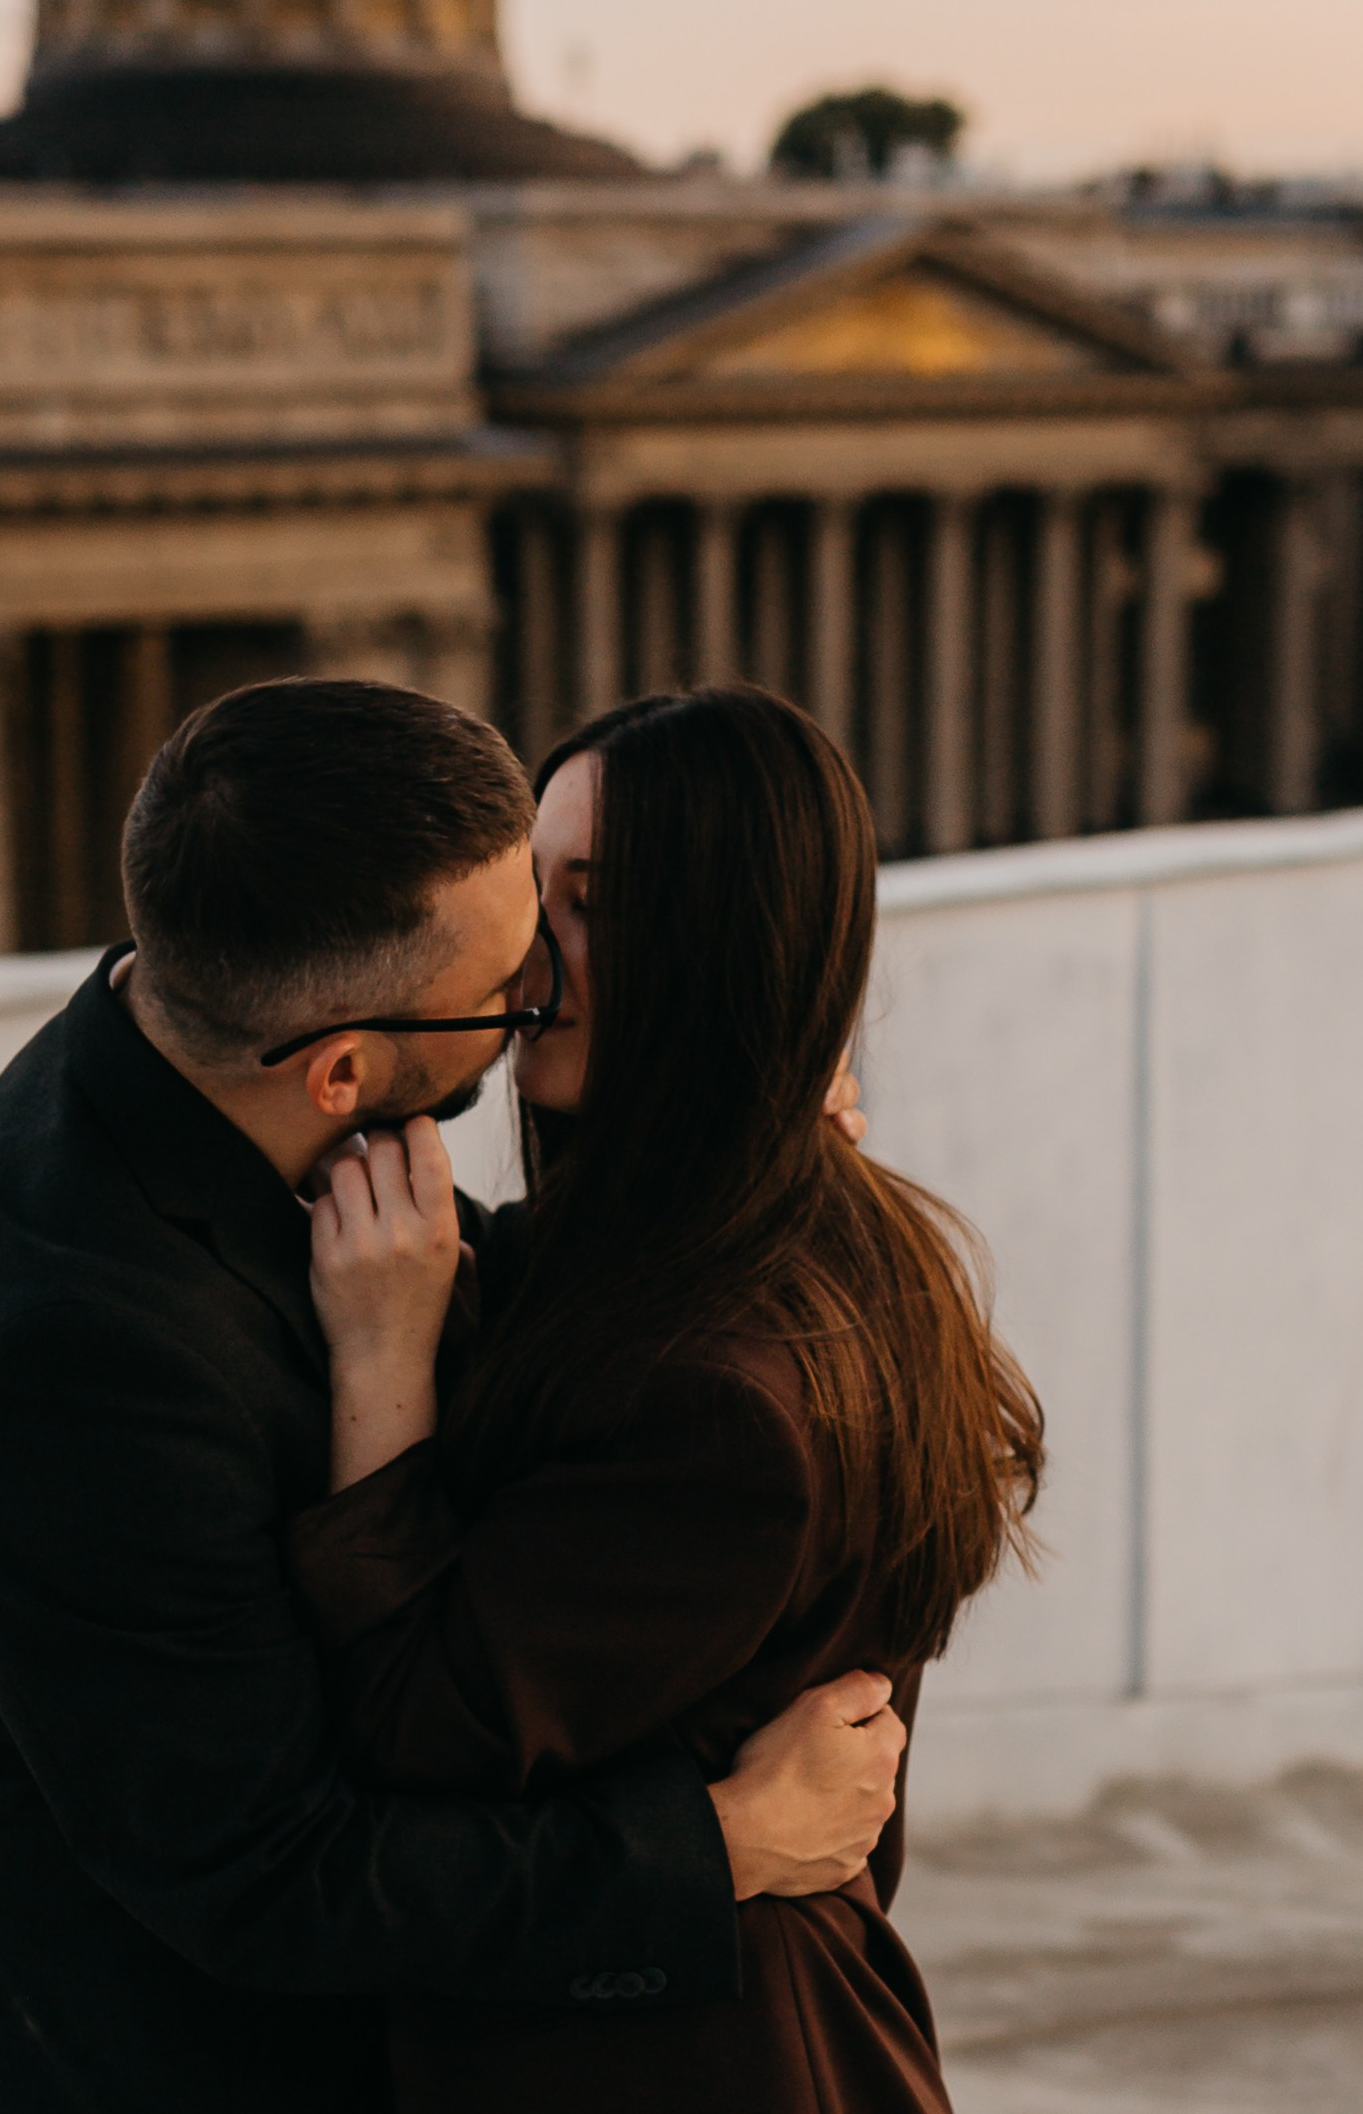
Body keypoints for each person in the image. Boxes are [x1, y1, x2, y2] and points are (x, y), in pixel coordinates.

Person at [0, 679, 907, 2114]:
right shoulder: (68, 1365)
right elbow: (269, 1876)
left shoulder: (191, 1029)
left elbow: (466, 1274)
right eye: (512, 965)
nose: (542, 979)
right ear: (345, 1068)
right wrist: (712, 1847)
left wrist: (735, 1115)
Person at [289, 684, 1045, 2112]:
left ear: (723, 956)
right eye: (530, 901)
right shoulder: (811, 1246)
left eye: (593, 908)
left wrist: (382, 1362)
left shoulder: (717, 1397)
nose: (526, 967)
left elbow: (407, 1729)